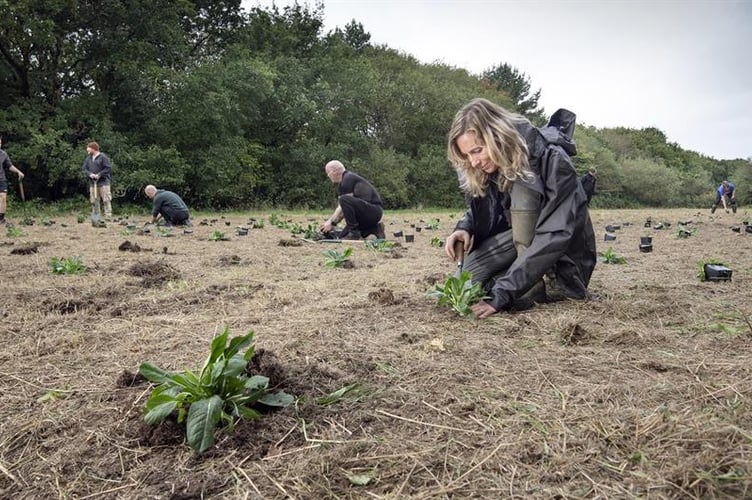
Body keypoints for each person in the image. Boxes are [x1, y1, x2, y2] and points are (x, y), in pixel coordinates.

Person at [444, 98, 596, 319]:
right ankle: (515, 281)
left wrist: (501, 294)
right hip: (517, 240)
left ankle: (533, 284)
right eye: (467, 155)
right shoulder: (489, 165)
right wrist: (465, 227)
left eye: (477, 150)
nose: (474, 161)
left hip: (559, 255)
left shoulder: (553, 159)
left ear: (497, 137)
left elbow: (555, 234)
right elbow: (492, 210)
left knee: (523, 189)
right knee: (464, 282)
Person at [320, 160, 386, 240]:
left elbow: (342, 206)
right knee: (341, 236)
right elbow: (344, 209)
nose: (328, 176)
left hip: (373, 211)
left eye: (328, 173)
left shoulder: (348, 178)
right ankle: (375, 228)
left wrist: (330, 222)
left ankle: (354, 231)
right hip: (370, 213)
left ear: (334, 171)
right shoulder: (344, 182)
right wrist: (332, 224)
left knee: (344, 199)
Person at [82, 141, 113, 221]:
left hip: (103, 182)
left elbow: (108, 168)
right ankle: (96, 217)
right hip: (93, 183)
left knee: (106, 200)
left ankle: (108, 217)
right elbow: (85, 169)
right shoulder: (88, 158)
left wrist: (99, 174)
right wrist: (90, 174)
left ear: (94, 149)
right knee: (94, 200)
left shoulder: (103, 157)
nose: (87, 151)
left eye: (89, 150)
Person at [0, 137, 25, 225]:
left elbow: (9, 166)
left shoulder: (3, 154)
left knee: (3, 197)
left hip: (1, 179)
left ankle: (1, 219)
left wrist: (18, 172)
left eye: (0, 143)